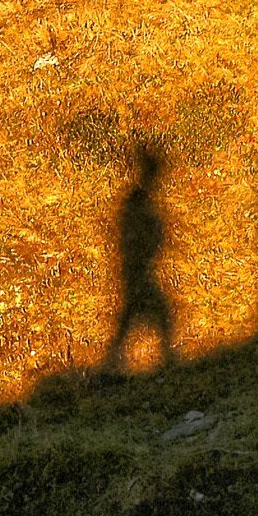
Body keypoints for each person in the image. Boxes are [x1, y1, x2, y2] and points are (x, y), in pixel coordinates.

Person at [103, 143, 176, 372]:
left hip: (138, 268)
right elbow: (137, 236)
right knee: (159, 313)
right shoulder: (139, 201)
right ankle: (168, 358)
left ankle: (113, 361)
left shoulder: (139, 199)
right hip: (139, 268)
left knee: (133, 315)